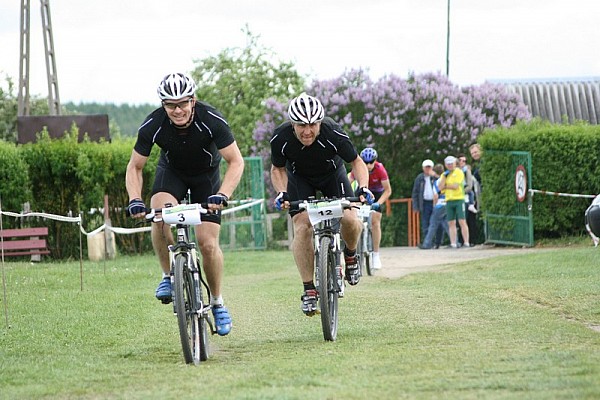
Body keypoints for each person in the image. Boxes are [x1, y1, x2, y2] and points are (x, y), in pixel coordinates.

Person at [125, 72, 244, 336]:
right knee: (159, 216)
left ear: (193, 100)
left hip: (206, 178)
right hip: (173, 174)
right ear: (163, 105)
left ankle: (217, 302)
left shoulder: (211, 119)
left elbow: (236, 161)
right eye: (170, 105)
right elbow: (135, 166)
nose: (177, 110)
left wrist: (223, 194)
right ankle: (168, 275)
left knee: (207, 244)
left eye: (182, 103)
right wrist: (134, 199)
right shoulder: (153, 124)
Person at [269, 92, 373, 316]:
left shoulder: (332, 132)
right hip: (300, 179)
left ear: (320, 123)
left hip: (332, 175)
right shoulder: (280, 137)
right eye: (301, 125)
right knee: (302, 227)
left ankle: (351, 256)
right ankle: (309, 289)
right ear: (292, 124)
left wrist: (363, 187)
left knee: (350, 219)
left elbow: (356, 161)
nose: (307, 131)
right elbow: (277, 169)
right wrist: (282, 193)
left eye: (312, 125)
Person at [349, 148, 393, 269]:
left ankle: (376, 254)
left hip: (377, 194)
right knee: (353, 213)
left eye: (371, 162)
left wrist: (378, 203)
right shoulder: (358, 168)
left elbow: (388, 191)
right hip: (362, 192)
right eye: (365, 162)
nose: (368, 165)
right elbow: (348, 182)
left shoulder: (380, 170)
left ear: (375, 161)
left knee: (375, 221)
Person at [439, 155, 470, 248]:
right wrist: (445, 180)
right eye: (448, 164)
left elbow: (455, 186)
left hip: (459, 199)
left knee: (462, 221)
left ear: (455, 163)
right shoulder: (444, 174)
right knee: (451, 222)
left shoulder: (459, 172)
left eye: (451, 163)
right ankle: (453, 243)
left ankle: (466, 242)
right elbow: (440, 187)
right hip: (449, 200)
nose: (450, 165)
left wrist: (445, 186)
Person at [419, 164, 449, 249]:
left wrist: (434, 205)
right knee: (447, 224)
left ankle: (427, 244)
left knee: (432, 225)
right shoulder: (447, 180)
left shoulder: (437, 182)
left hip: (439, 204)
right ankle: (455, 242)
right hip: (447, 203)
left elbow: (435, 196)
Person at [412, 159, 436, 246]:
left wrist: (435, 176)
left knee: (435, 222)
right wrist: (415, 206)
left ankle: (436, 241)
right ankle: (427, 242)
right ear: (423, 168)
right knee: (425, 223)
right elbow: (415, 193)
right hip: (424, 203)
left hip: (435, 202)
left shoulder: (435, 177)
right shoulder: (420, 178)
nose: (428, 169)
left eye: (429, 167)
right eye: (426, 167)